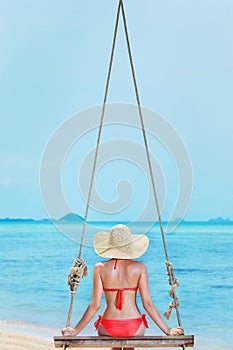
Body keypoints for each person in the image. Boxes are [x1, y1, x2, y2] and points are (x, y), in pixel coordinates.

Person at [62, 224, 184, 343]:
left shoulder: (100, 268)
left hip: (108, 324)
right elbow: (147, 304)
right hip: (134, 324)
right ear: (130, 246)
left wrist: (76, 330)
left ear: (110, 246)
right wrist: (167, 330)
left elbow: (95, 305)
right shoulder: (139, 267)